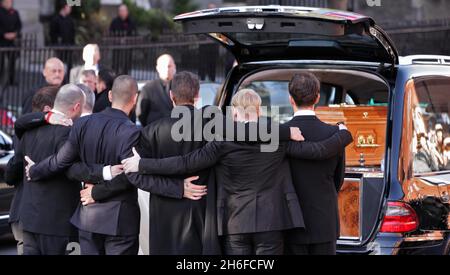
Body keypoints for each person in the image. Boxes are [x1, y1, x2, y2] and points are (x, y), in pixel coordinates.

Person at [122, 89, 353, 255]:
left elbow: (184, 163)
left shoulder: (221, 141)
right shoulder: (277, 137)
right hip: (271, 223)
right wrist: (343, 135)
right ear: (259, 111)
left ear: (233, 113)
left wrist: (142, 165)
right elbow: (317, 151)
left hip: (234, 224)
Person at [25, 75, 199, 255]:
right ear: (135, 99)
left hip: (87, 218)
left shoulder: (82, 124)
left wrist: (35, 170)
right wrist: (179, 188)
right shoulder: (132, 131)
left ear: (109, 96)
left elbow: (64, 164)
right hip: (120, 221)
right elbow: (133, 176)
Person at [283, 72, 346, 255]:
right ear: (317, 97)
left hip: (290, 221)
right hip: (324, 220)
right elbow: (338, 179)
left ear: (290, 99)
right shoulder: (335, 134)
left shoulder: (281, 134)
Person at [18, 85, 84, 255]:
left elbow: (15, 164)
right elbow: (67, 165)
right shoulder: (70, 133)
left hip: (30, 220)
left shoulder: (29, 131)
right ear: (76, 107)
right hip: (58, 224)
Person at [5, 86, 59, 255]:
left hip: (22, 213)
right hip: (40, 216)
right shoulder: (56, 133)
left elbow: (11, 174)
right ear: (48, 110)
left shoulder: (23, 133)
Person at [137, 54, 176, 126]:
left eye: (169, 66)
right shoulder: (148, 88)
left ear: (174, 67)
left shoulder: (180, 87)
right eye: (163, 66)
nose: (167, 69)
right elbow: (141, 113)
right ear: (158, 68)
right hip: (154, 132)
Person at [0, 0, 22, 85]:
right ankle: (0, 80)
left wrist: (15, 33)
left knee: (12, 61)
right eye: (7, 2)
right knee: (1, 62)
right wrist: (4, 34)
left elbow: (19, 25)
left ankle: (11, 80)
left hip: (12, 42)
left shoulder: (15, 12)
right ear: (2, 3)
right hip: (1, 41)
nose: (9, 3)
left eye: (10, 2)